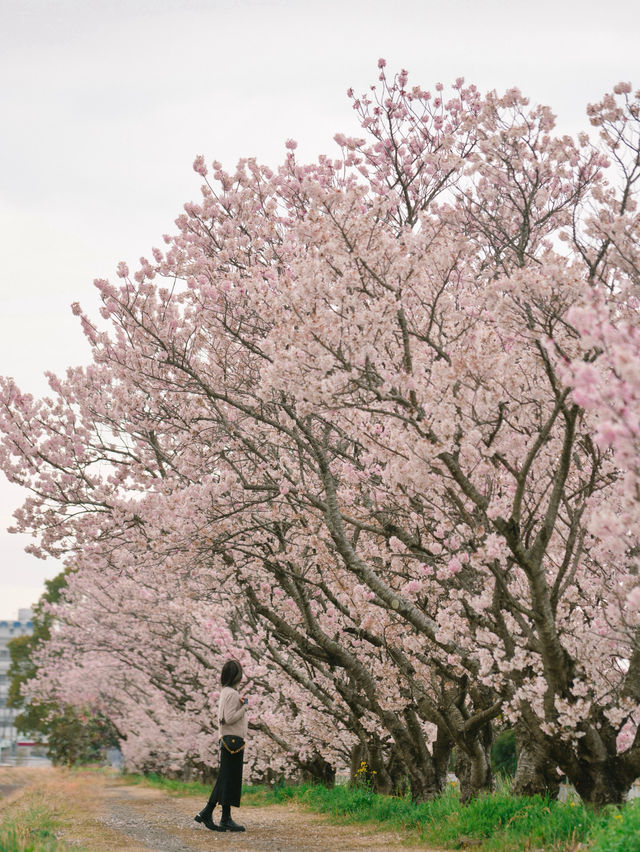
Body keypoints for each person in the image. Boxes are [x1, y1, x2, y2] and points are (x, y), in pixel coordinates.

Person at [195, 659, 248, 832]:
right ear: (236, 676)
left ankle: (220, 816)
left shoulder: (225, 691)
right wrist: (244, 707)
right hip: (233, 740)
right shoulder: (232, 693)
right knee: (228, 779)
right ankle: (211, 813)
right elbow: (229, 718)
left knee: (227, 778)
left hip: (227, 739)